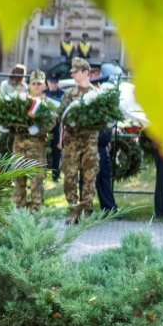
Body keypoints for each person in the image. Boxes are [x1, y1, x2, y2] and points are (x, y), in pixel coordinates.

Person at [59, 57, 100, 224]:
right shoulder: (70, 94)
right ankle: (73, 209)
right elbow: (59, 115)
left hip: (90, 142)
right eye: (72, 72)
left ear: (86, 73)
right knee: (69, 177)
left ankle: (86, 210)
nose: (73, 75)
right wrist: (69, 119)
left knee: (89, 178)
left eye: (75, 72)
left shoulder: (96, 95)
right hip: (72, 143)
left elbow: (104, 115)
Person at [12, 70, 50, 211]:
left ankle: (36, 213)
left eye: (39, 84)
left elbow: (51, 123)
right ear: (28, 85)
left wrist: (40, 129)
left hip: (37, 149)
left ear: (44, 86)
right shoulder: (21, 101)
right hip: (19, 147)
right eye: (33, 83)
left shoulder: (47, 103)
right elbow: (12, 118)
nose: (36, 86)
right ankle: (19, 212)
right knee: (18, 181)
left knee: (37, 182)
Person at [43, 72, 64, 182]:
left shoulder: (62, 93)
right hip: (45, 125)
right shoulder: (43, 93)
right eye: (51, 82)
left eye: (55, 83)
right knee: (43, 150)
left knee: (57, 150)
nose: (52, 84)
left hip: (57, 125)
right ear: (47, 82)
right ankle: (42, 175)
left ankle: (56, 175)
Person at [95, 130, 117, 212]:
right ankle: (86, 208)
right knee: (91, 179)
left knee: (104, 179)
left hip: (103, 146)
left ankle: (109, 207)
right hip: (95, 145)